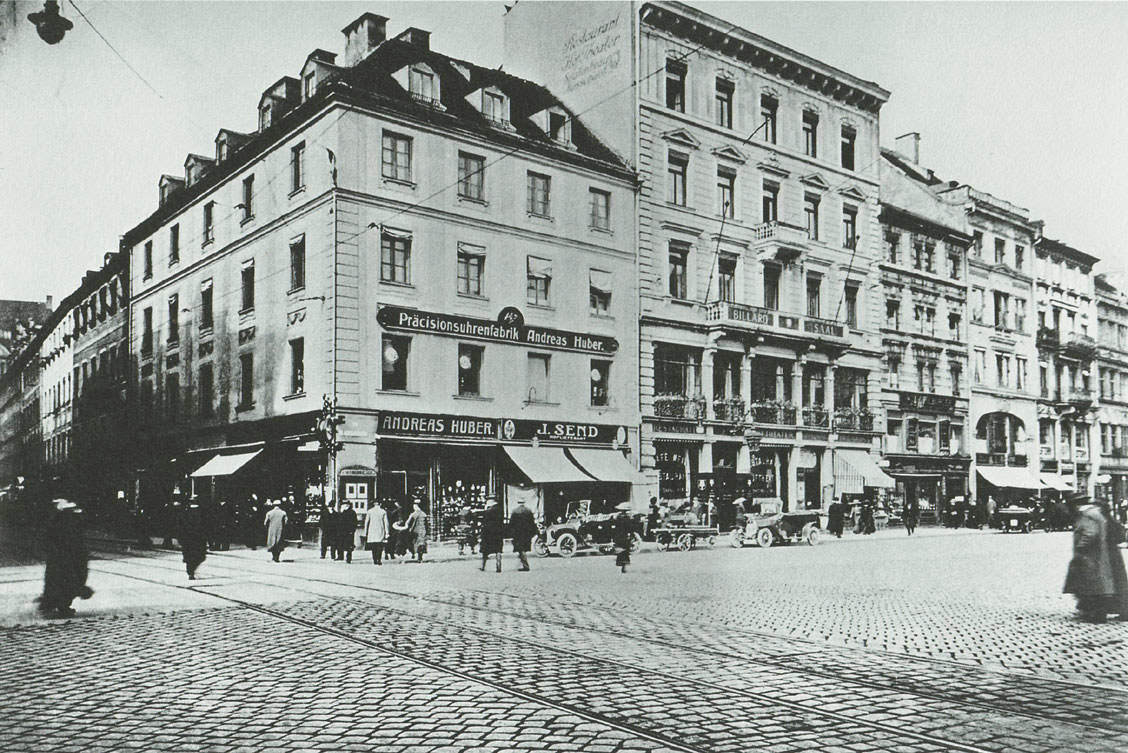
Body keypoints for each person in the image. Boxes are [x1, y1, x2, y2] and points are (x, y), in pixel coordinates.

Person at [37, 499, 93, 619]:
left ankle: (56, 603)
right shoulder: (67, 522)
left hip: (65, 557)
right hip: (67, 557)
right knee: (69, 581)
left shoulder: (60, 521)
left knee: (63, 581)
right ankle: (60, 605)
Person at [1064, 500, 1116, 622]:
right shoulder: (1096, 514)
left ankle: (1096, 615)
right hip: (1097, 555)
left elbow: (1090, 533)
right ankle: (1096, 613)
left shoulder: (1088, 515)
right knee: (1098, 586)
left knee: (1092, 585)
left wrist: (1081, 546)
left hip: (1090, 556)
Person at [179, 499, 208, 580]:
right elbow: (206, 526)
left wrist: (181, 538)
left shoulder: (184, 512)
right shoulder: (202, 512)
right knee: (199, 556)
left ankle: (190, 571)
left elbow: (180, 526)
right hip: (198, 539)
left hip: (188, 539)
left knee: (190, 557)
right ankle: (191, 571)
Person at [394, 498, 428, 564]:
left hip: (414, 531)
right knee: (421, 544)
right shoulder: (424, 514)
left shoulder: (413, 514)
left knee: (413, 544)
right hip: (422, 532)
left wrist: (402, 526)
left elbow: (408, 523)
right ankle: (420, 557)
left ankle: (408, 556)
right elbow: (426, 524)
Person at [508, 496, 537, 572]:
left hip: (518, 533)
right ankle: (523, 563)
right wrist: (533, 532)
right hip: (526, 533)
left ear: (518, 503)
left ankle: (526, 566)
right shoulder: (528, 511)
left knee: (521, 549)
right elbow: (532, 523)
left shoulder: (515, 511)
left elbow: (511, 524)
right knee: (523, 548)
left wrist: (511, 532)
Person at [479, 497, 504, 573]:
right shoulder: (500, 510)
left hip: (488, 533)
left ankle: (483, 566)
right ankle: (498, 566)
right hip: (498, 533)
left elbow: (484, 522)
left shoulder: (488, 512)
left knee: (485, 551)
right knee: (498, 550)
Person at [611, 502, 634, 574]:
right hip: (624, 535)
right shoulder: (627, 518)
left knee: (621, 550)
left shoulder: (618, 517)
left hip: (618, 535)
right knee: (625, 550)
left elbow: (614, 526)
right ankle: (624, 566)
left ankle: (622, 564)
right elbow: (630, 528)